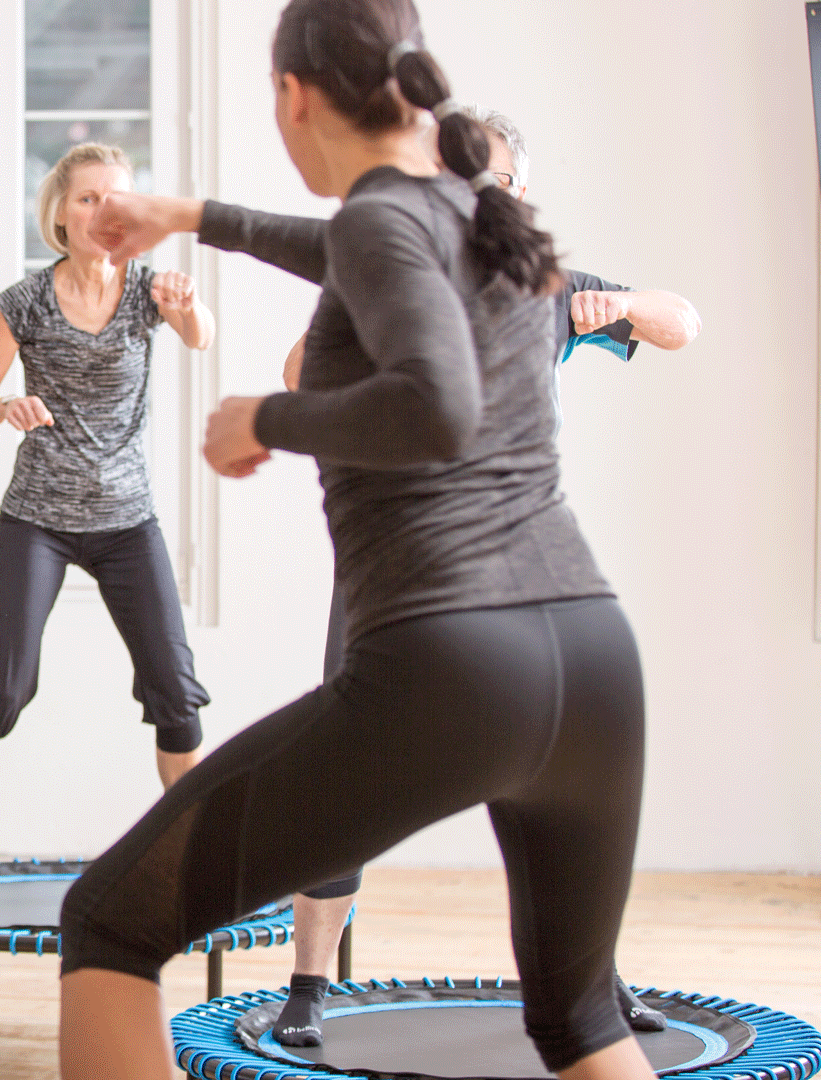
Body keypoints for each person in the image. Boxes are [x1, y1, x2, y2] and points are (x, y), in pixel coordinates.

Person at [53, 2, 655, 1078]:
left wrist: (266, 419)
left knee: (108, 921)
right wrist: (190, 213)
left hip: (459, 659)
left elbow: (436, 402)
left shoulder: (383, 221)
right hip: (595, 659)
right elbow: (348, 248)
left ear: (293, 95)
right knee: (579, 1022)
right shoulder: (483, 214)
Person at [268, 104, 700, 1048]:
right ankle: (307, 984)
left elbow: (683, 322)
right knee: (344, 770)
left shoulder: (548, 287)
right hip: (393, 566)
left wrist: (623, 308)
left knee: (567, 779)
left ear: (516, 194)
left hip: (514, 565)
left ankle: (595, 981)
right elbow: (300, 371)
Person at [0, 142, 214, 896]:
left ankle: (189, 853)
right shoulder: (26, 303)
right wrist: (7, 405)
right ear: (62, 214)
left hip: (126, 519)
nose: (104, 211)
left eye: (117, 198)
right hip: (38, 519)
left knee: (175, 689)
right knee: (3, 688)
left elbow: (202, 335)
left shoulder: (147, 290)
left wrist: (187, 305)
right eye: (87, 198)